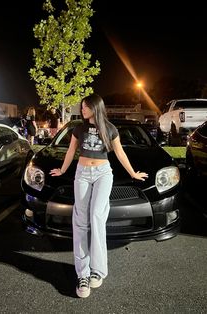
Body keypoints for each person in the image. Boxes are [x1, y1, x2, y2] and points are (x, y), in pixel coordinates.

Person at [50, 94, 148, 298]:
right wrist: (62, 169)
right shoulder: (79, 128)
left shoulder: (110, 128)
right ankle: (83, 274)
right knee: (80, 221)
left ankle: (98, 270)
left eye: (85, 107)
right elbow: (70, 151)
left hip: (103, 173)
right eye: (82, 107)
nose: (82, 110)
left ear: (95, 108)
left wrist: (132, 173)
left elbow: (120, 153)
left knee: (96, 217)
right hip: (83, 174)